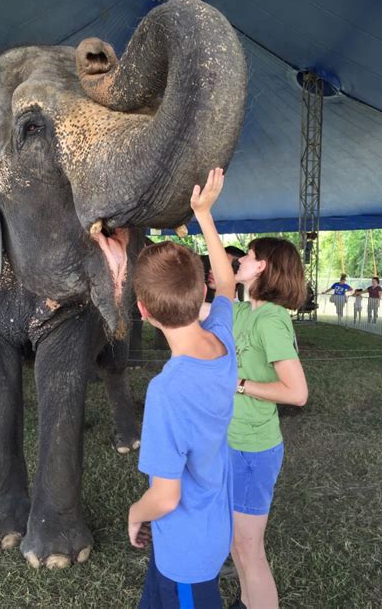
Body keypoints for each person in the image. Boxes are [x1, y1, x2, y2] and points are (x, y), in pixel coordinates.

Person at [128, 168, 237, 608]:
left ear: (143, 310)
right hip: (199, 533)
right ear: (200, 291)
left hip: (189, 557)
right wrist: (204, 215)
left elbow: (165, 496)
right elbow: (228, 282)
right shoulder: (222, 341)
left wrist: (134, 514)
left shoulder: (167, 391)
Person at [209, 237, 309, 609]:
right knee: (237, 542)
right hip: (233, 443)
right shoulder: (242, 311)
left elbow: (297, 392)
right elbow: (216, 287)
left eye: (247, 256)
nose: (239, 261)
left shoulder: (271, 319)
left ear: (262, 266)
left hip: (254, 450)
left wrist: (238, 384)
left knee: (250, 552)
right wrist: (203, 216)